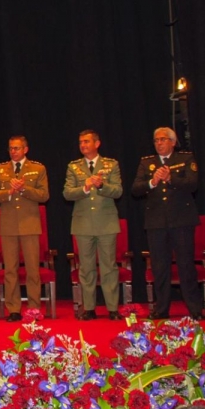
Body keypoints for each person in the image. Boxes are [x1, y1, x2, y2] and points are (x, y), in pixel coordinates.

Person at [131, 127, 204, 320]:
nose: (159, 143)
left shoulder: (185, 159)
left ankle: (195, 308)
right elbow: (136, 189)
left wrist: (171, 178)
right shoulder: (147, 162)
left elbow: (193, 184)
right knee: (159, 267)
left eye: (163, 139)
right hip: (156, 222)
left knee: (186, 265)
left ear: (173, 141)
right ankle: (161, 308)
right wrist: (152, 183)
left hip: (181, 220)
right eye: (156, 140)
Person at [0, 136, 49, 322]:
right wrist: (10, 192)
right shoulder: (0, 170)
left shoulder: (38, 169)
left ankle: (33, 309)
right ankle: (13, 309)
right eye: (11, 148)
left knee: (32, 270)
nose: (13, 151)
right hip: (8, 226)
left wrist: (23, 189)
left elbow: (44, 195)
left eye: (17, 148)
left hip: (30, 224)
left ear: (26, 149)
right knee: (10, 270)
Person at [62, 129, 123, 321]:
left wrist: (102, 186)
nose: (83, 145)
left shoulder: (110, 164)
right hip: (83, 223)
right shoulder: (74, 166)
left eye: (87, 142)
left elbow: (118, 191)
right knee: (86, 268)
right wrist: (85, 187)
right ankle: (89, 308)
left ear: (97, 144)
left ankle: (112, 308)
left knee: (109, 267)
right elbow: (67, 193)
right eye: (81, 142)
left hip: (106, 223)